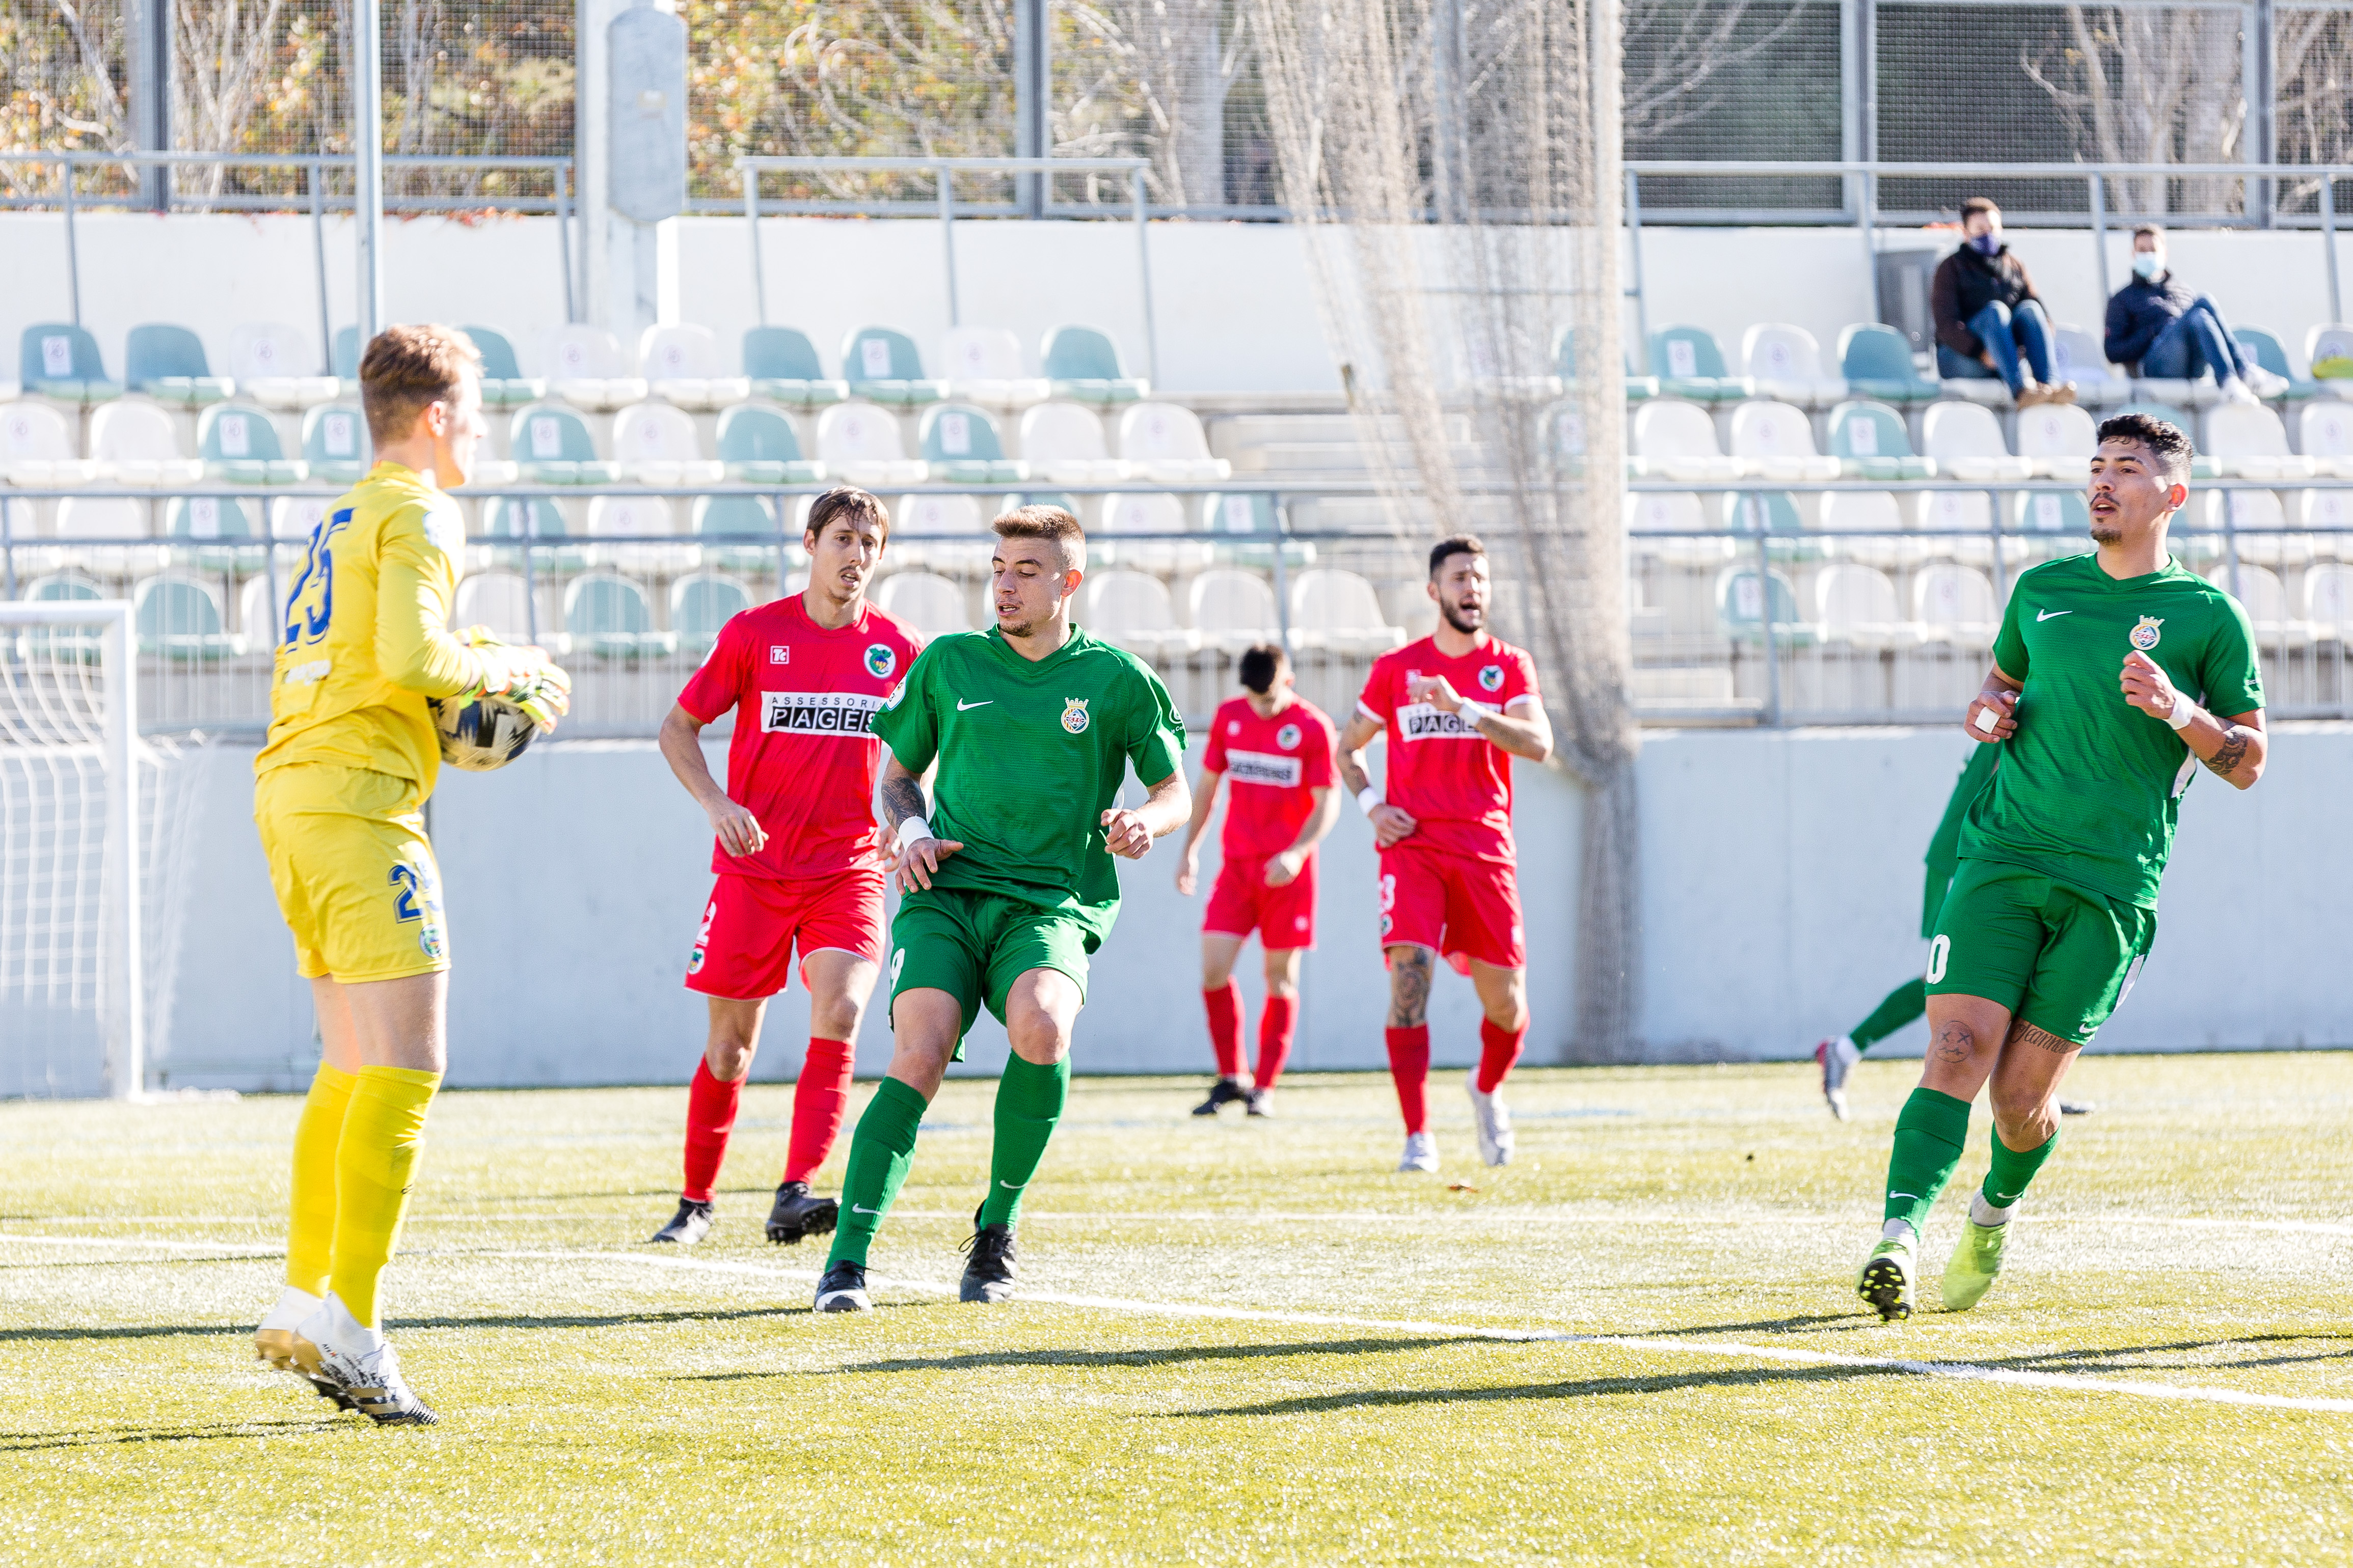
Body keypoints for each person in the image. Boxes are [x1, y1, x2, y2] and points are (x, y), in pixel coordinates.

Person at [1855, 411, 2267, 1323]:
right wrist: (1984, 712)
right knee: (1954, 1046)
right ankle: (1896, 1238)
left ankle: (1991, 1210)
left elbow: (2246, 761)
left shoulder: (2207, 615)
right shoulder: (2040, 588)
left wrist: (2176, 711)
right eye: (2094, 466)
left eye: (2124, 468)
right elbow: (1996, 685)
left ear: (2171, 493)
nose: (2102, 481)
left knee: (2017, 1102)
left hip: (2110, 886)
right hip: (2000, 857)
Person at [250, 325, 571, 1424]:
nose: (480, 430)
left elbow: (381, 656)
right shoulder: (424, 509)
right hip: (357, 804)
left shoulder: (346, 510)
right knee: (411, 1064)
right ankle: (357, 1326)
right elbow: (414, 662)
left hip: (293, 790)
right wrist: (514, 666)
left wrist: (455, 679)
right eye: (474, 410)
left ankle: (305, 1299)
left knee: (348, 1062)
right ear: (436, 417)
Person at [811, 505, 1190, 1312]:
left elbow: (1174, 792)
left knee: (1043, 1028)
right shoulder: (951, 662)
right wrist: (909, 827)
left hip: (1052, 902)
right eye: (998, 567)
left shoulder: (1116, 679)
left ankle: (995, 1229)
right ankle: (845, 1262)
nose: (1005, 584)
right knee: (920, 1049)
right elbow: (896, 775)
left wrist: (1140, 822)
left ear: (1067, 582)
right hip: (944, 892)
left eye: (1025, 570)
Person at [646, 487, 922, 1249]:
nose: (856, 555)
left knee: (840, 1011)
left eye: (870, 542)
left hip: (848, 870)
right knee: (730, 1046)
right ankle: (695, 1200)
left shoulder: (899, 649)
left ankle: (794, 1190)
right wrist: (715, 802)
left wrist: (910, 821)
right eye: (842, 538)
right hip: (753, 870)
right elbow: (678, 728)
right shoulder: (753, 633)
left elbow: (927, 755)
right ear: (809, 544)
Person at [1333, 535, 1554, 1173]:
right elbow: (1346, 749)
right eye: (1459, 577)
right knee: (1408, 982)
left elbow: (1538, 744)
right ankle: (1417, 1136)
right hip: (1414, 849)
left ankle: (1485, 1089)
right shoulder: (1396, 669)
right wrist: (1372, 805)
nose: (1472, 588)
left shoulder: (1509, 667)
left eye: (1479, 579)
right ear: (1434, 591)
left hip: (1485, 849)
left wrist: (1465, 707)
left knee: (1506, 1005)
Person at [1175, 642, 1341, 1118]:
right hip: (1237, 868)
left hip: (1287, 873)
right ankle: (1232, 1076)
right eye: (1253, 698)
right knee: (1213, 969)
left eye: (1267, 699)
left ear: (1287, 681)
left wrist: (1296, 851)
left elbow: (1326, 801)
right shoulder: (1231, 717)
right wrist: (1189, 850)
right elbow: (1206, 788)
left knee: (1279, 978)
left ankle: (1264, 1088)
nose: (1260, 707)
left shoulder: (1312, 727)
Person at [1813, 745, 2000, 1120]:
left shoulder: (2031, 700)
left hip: (1978, 862)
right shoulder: (2027, 703)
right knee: (1951, 982)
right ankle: (1844, 1050)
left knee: (1987, 980)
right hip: (1964, 862)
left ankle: (2031, 1092)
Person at [2103, 224, 2291, 406]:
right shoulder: (2122, 299)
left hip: (2194, 366)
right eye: (2142, 250)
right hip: (2155, 367)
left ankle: (2235, 380)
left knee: (2201, 312)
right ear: (2133, 254)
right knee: (2204, 302)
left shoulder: (2184, 291)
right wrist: (2153, 332)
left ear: (2165, 253)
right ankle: (2240, 374)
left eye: (2153, 249)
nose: (2148, 255)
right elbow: (2113, 352)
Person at [1931, 197, 2075, 407]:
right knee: (1996, 311)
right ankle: (2021, 391)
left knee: (2031, 310)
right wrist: (1981, 352)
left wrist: (2018, 351)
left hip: (2008, 360)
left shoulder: (2015, 265)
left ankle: (2050, 387)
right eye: (1980, 228)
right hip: (1964, 358)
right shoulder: (1950, 268)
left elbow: (2044, 321)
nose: (1987, 234)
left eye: (1992, 228)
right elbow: (1946, 325)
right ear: (1966, 232)